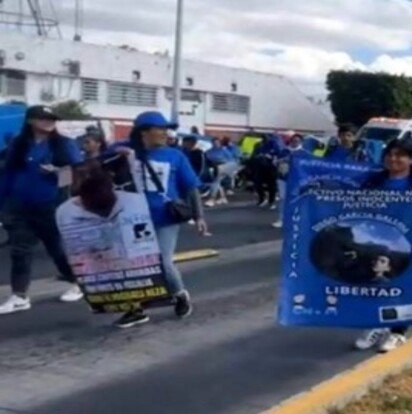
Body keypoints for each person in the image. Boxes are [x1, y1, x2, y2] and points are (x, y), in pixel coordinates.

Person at [108, 111, 208, 328]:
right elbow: (98, 166)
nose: (165, 133)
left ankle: (179, 294)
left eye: (166, 129)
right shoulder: (124, 151)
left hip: (165, 217)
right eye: (160, 129)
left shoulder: (175, 156)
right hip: (131, 219)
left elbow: (191, 188)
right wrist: (117, 155)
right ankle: (135, 309)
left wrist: (199, 216)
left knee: (163, 261)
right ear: (144, 132)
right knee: (134, 264)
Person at [353, 137, 412, 353]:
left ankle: (398, 332)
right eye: (390, 154)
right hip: (377, 239)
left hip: (409, 243)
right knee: (375, 284)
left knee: (403, 286)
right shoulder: (372, 181)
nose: (393, 159)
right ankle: (376, 325)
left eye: (399, 155)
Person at [0, 105, 84, 315]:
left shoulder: (63, 144)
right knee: (20, 250)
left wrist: (58, 172)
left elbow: (80, 171)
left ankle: (78, 282)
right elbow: (8, 174)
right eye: (44, 118)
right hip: (19, 206)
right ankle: (19, 295)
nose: (49, 122)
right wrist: (3, 204)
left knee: (56, 249)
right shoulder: (18, 145)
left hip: (50, 205)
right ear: (30, 120)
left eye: (52, 119)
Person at [272, 134, 306, 229]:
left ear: (301, 142)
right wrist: (281, 161)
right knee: (283, 199)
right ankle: (281, 219)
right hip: (283, 178)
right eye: (293, 140)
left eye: (297, 141)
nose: (295, 142)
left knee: (296, 199)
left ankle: (295, 220)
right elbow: (275, 162)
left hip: (297, 180)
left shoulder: (303, 153)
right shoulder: (284, 151)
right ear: (290, 141)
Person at [204, 137, 241, 207]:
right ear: (212, 143)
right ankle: (222, 198)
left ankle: (212, 199)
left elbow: (231, 159)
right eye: (214, 143)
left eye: (217, 143)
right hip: (216, 167)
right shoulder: (209, 151)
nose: (216, 144)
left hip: (226, 166)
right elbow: (207, 159)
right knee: (218, 181)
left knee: (216, 180)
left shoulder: (224, 150)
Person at [249, 135, 283, 209]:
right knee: (258, 184)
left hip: (271, 167)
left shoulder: (274, 144)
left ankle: (271, 201)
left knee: (272, 185)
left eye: (266, 138)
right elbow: (253, 155)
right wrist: (259, 156)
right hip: (260, 166)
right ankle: (262, 199)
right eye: (263, 139)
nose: (264, 140)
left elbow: (279, 153)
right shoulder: (258, 145)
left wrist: (270, 156)